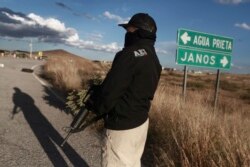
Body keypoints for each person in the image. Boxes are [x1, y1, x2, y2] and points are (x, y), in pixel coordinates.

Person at [92, 13, 162, 167]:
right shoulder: (154, 58)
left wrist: (96, 105)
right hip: (141, 122)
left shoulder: (128, 55)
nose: (126, 34)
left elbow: (110, 92)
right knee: (131, 162)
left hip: (121, 125)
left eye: (128, 30)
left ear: (137, 31)